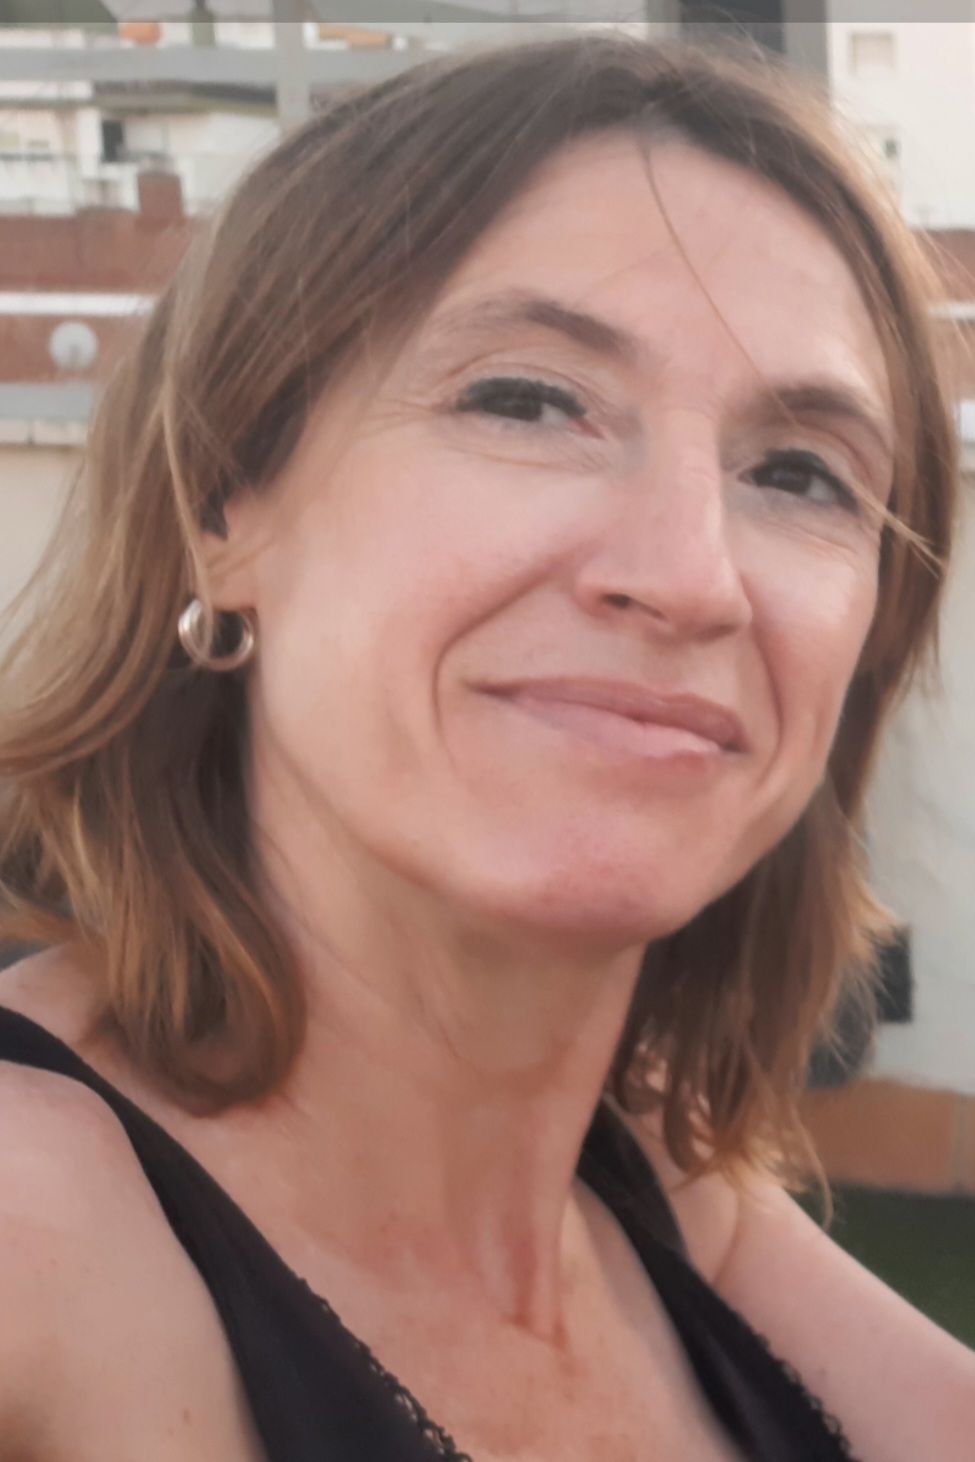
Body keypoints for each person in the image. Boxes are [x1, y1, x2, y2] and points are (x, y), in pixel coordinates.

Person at [0, 31, 972, 1462]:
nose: (693, 574)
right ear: (222, 506)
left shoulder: (651, 1185)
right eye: (525, 399)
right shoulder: (33, 1218)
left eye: (799, 473)